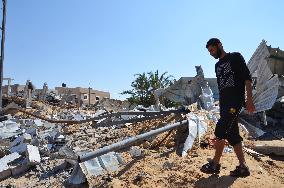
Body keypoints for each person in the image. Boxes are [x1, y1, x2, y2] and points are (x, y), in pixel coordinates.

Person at [200, 38, 255, 177]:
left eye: (212, 50)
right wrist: (220, 102)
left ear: (219, 45)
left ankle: (214, 164)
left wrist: (249, 99)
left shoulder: (235, 57)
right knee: (232, 134)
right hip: (224, 103)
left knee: (220, 129)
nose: (211, 53)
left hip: (235, 102)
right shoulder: (217, 65)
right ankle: (243, 167)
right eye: (209, 52)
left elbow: (247, 78)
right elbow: (222, 86)